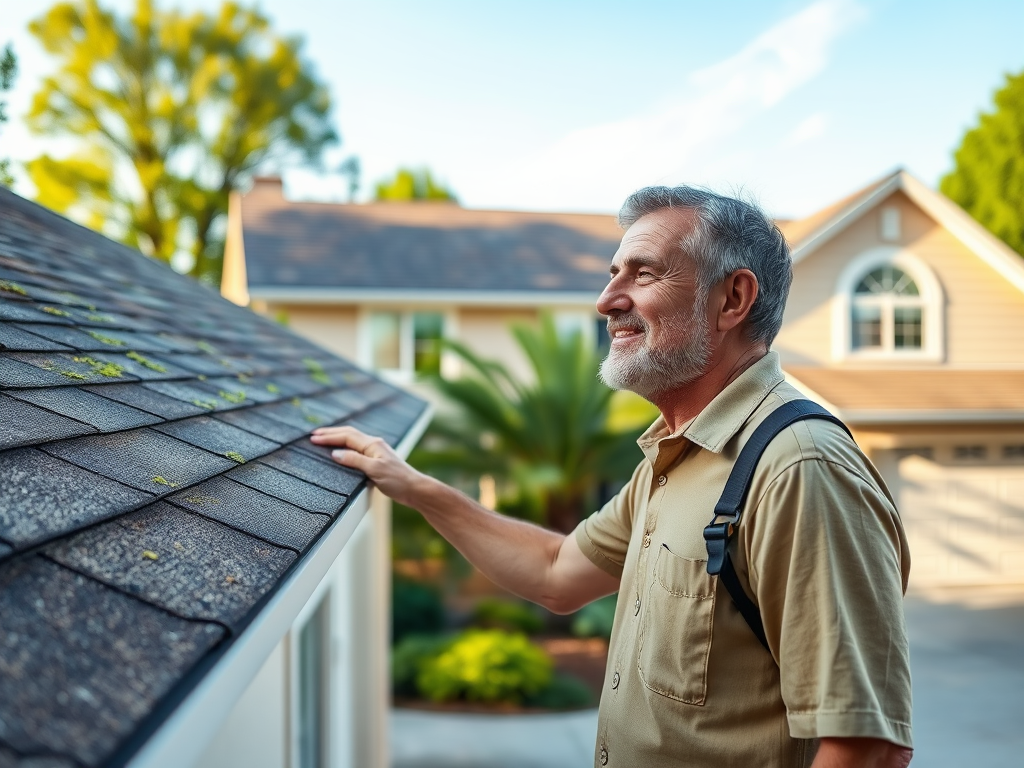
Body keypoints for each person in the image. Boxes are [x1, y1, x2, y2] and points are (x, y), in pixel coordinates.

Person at [311, 186, 914, 768]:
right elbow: (555, 573)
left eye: (644, 274)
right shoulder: (676, 458)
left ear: (732, 300)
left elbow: (866, 746)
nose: (607, 300)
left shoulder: (797, 469)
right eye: (612, 273)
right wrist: (412, 485)